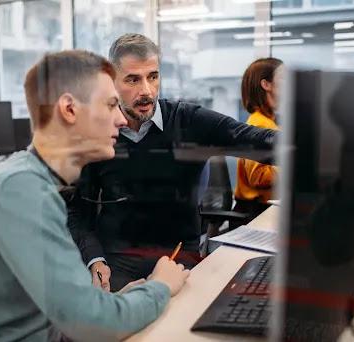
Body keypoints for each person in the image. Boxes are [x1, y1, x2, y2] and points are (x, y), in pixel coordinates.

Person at [0, 50, 190, 342]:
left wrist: (114, 304)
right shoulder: (21, 191)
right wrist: (160, 287)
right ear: (69, 110)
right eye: (111, 105)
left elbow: (70, 310)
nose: (121, 119)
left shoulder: (33, 180)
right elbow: (92, 327)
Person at [68, 33, 278, 292]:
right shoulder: (98, 132)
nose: (146, 91)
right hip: (119, 261)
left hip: (179, 257)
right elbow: (77, 210)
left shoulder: (189, 121)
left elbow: (262, 142)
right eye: (133, 79)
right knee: (116, 327)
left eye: (153, 77)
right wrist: (94, 259)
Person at [233, 58, 283, 221]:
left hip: (264, 207)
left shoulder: (272, 122)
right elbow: (258, 177)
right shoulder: (259, 123)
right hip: (253, 213)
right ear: (266, 85)